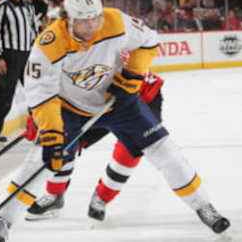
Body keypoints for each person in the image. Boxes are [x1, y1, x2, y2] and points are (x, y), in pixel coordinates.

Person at [0, 0, 230, 242]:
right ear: (68, 19)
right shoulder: (49, 43)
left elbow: (149, 41)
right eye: (84, 21)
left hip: (117, 102)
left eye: (95, 18)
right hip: (70, 108)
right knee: (41, 160)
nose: (92, 26)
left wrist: (133, 75)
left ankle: (203, 206)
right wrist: (53, 131)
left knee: (165, 150)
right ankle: (4, 219)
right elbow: (41, 94)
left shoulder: (115, 21)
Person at [25, 72, 164, 222]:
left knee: (129, 150)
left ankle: (102, 198)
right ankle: (54, 194)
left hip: (138, 94)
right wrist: (40, 116)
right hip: (92, 94)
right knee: (63, 138)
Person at [0, 0, 39, 148]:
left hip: (27, 54)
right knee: (4, 94)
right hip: (9, 55)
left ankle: (40, 127)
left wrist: (38, 52)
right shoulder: (0, 7)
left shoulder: (27, 6)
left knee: (36, 91)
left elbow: (33, 30)